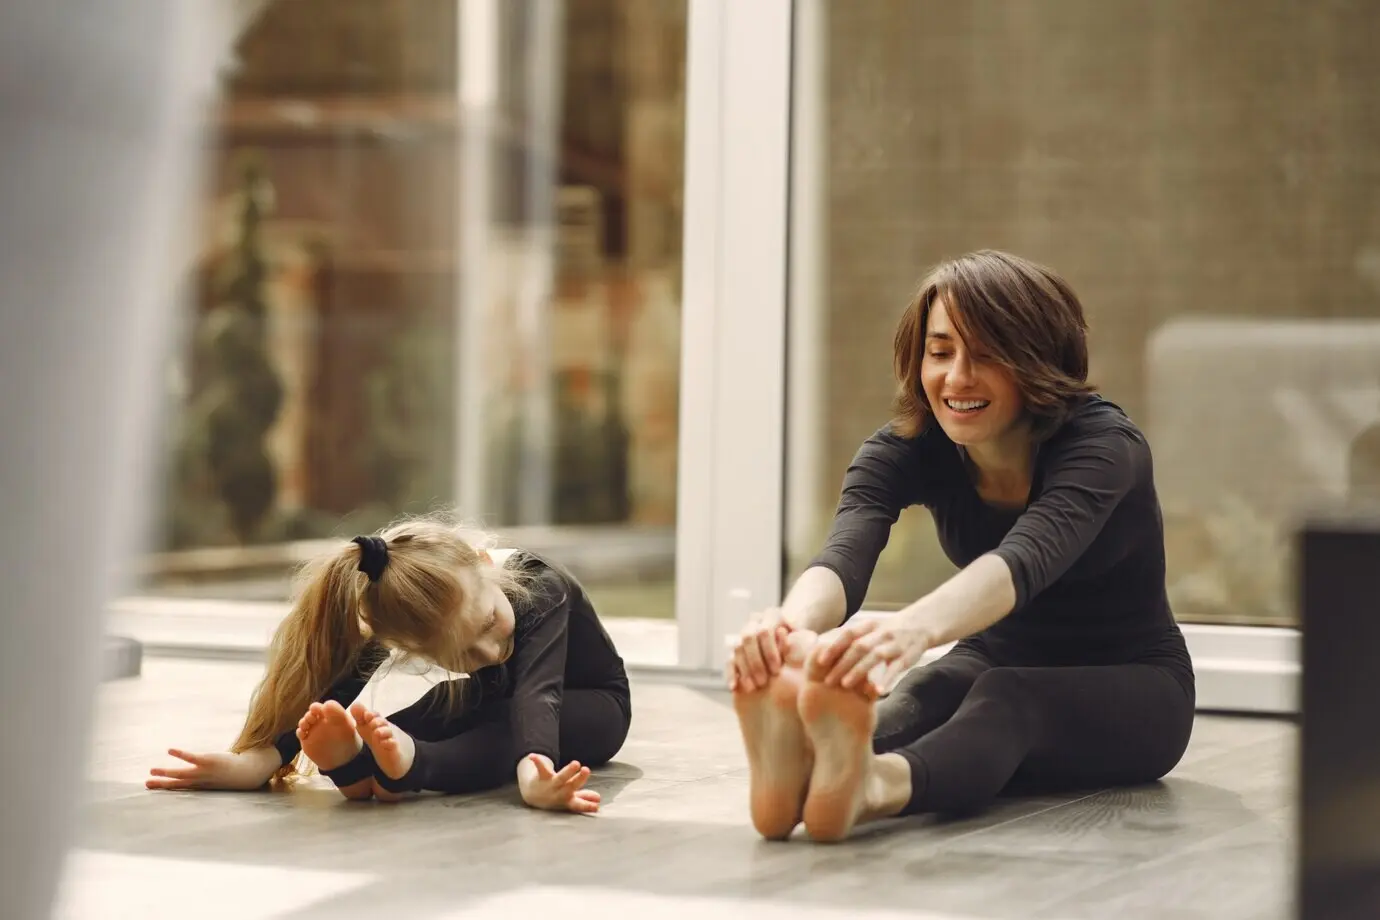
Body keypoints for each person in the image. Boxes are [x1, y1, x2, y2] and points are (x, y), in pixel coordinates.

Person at [730, 249, 1195, 842]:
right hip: (993, 652)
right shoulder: (907, 446)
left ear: (1037, 359)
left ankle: (877, 786)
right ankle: (806, 768)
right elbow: (845, 554)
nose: (957, 378)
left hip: (1135, 683)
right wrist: (786, 634)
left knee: (1005, 696)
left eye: (986, 354)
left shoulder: (1103, 446)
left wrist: (912, 631)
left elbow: (1023, 560)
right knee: (929, 687)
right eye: (941, 351)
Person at [147, 517, 632, 814]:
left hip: (597, 709)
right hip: (504, 701)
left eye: (488, 622)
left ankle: (413, 765)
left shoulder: (544, 586)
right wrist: (260, 760)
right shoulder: (405, 607)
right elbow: (335, 680)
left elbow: (536, 694)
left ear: (487, 564)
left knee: (501, 719)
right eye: (461, 653)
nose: (487, 654)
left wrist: (535, 776)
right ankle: (359, 769)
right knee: (444, 702)